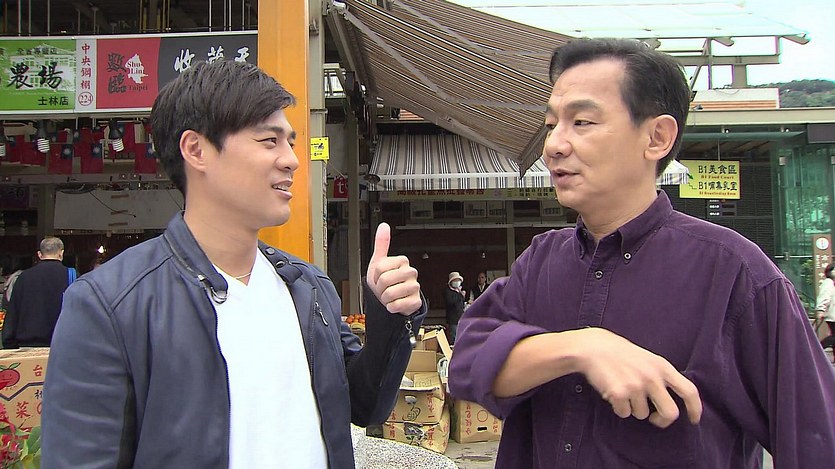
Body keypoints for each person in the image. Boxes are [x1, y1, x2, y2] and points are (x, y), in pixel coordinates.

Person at [448, 38, 835, 468]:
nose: (554, 144)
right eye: (551, 124)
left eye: (581, 122)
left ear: (657, 137)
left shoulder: (735, 273)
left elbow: (816, 439)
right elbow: (468, 364)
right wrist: (583, 348)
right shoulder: (542, 260)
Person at [42, 60, 427, 468]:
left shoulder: (308, 286)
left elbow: (364, 406)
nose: (291, 160)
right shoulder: (109, 305)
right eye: (269, 141)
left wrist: (389, 316)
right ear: (196, 150)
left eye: (290, 142)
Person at [2, 237, 72, 348]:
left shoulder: (24, 277)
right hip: (63, 344)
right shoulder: (72, 276)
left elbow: (14, 311)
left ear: (39, 254)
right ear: (61, 253)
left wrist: (9, 342)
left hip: (28, 344)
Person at [816, 263, 835, 352]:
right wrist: (821, 309)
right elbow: (824, 296)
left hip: (832, 314)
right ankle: (817, 348)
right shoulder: (828, 282)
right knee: (833, 336)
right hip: (832, 315)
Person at [444, 271, 466, 343]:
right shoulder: (448, 291)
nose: (457, 282)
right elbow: (451, 301)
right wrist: (460, 295)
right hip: (453, 320)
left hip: (460, 318)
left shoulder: (459, 291)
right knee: (453, 337)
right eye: (455, 280)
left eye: (458, 280)